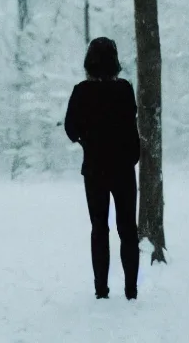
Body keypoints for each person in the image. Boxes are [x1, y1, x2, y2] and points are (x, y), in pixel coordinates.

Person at [64, 37, 141, 301]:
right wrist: (131, 156)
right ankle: (131, 290)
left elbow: (70, 129)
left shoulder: (81, 91)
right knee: (128, 229)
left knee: (99, 229)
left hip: (95, 169)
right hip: (123, 169)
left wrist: (86, 141)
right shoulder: (125, 90)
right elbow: (132, 127)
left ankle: (101, 290)